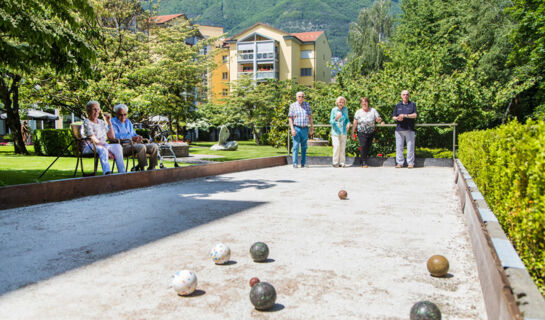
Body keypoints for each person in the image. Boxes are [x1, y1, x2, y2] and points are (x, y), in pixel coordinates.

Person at [81, 101, 125, 175]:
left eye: (98, 109)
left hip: (103, 145)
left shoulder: (101, 122)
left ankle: (122, 173)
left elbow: (111, 137)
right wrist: (107, 151)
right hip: (90, 146)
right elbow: (93, 138)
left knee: (118, 146)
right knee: (102, 150)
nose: (96, 111)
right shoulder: (87, 122)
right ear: (88, 111)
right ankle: (107, 173)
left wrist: (109, 122)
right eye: (94, 109)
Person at [111, 104, 158, 171]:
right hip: (122, 147)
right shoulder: (112, 122)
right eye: (121, 115)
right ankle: (142, 169)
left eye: (125, 114)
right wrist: (131, 138)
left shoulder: (128, 122)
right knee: (141, 147)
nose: (123, 117)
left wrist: (137, 137)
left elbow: (133, 134)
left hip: (133, 145)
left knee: (154, 146)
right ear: (116, 114)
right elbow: (115, 136)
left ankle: (151, 168)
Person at [352, 97, 383, 168]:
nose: (364, 103)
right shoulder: (358, 112)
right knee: (363, 145)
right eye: (362, 102)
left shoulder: (373, 110)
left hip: (371, 132)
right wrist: (352, 133)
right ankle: (363, 161)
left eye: (365, 102)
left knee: (368, 147)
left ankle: (362, 160)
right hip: (361, 131)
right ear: (361, 104)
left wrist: (379, 120)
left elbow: (378, 118)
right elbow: (355, 123)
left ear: (368, 103)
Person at [392, 90, 417, 168]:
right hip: (399, 130)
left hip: (410, 129)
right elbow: (393, 117)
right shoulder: (398, 105)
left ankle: (410, 163)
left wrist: (405, 115)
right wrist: (397, 118)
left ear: (409, 96)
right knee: (399, 147)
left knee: (410, 147)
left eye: (407, 94)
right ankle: (399, 163)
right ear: (401, 96)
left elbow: (415, 115)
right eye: (404, 94)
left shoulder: (412, 104)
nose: (405, 96)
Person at [288, 91, 314, 168]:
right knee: (295, 146)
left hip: (305, 128)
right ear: (296, 97)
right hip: (296, 128)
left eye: (302, 96)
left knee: (304, 147)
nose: (301, 98)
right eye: (299, 96)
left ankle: (303, 163)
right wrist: (292, 129)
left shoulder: (307, 105)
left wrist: (312, 127)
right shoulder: (293, 105)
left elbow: (310, 116)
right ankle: (295, 163)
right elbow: (290, 118)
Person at [329, 96, 350, 167]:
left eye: (343, 102)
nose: (341, 103)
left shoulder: (345, 109)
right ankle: (335, 162)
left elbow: (347, 119)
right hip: (335, 131)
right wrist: (336, 118)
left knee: (342, 147)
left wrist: (348, 123)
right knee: (337, 146)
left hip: (343, 131)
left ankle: (342, 162)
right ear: (337, 102)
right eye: (340, 102)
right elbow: (331, 121)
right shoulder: (334, 110)